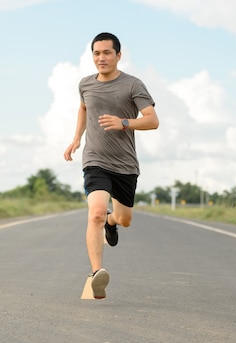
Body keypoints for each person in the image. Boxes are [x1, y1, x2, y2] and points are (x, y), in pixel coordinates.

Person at [63, 32, 159, 299]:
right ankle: (97, 274)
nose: (101, 58)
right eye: (96, 53)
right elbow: (83, 109)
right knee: (94, 212)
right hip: (95, 161)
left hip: (125, 164)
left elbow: (152, 120)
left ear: (118, 55)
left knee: (125, 220)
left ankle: (111, 220)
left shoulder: (133, 85)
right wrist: (76, 139)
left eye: (107, 53)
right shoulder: (85, 84)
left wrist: (124, 122)